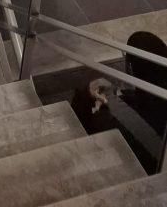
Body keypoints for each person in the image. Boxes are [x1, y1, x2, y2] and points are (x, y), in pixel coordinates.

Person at [71, 30, 167, 174]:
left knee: (93, 108)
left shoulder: (144, 129)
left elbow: (145, 136)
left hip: (150, 163)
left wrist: (102, 96)